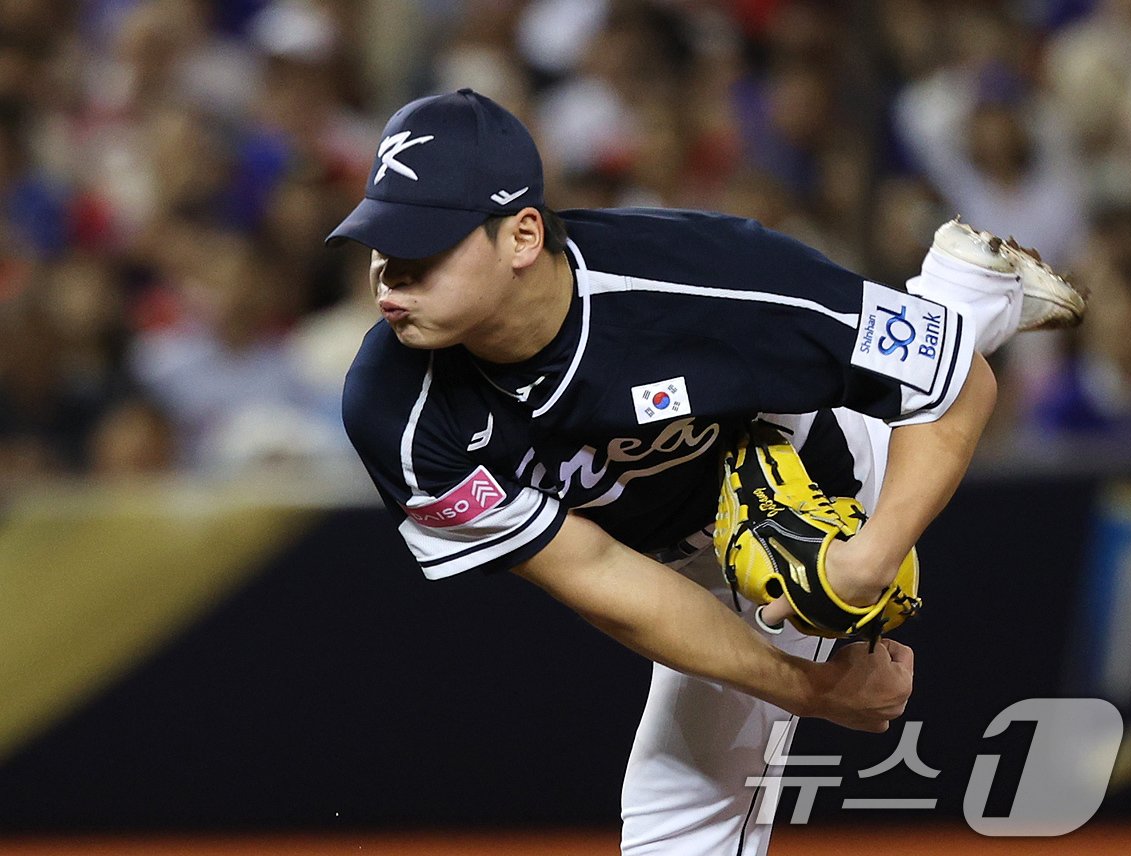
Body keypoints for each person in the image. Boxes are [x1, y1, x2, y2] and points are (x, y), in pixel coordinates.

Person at [326, 88, 1083, 854]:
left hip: (809, 487)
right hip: (661, 549)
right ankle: (965, 293)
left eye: (421, 248)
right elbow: (598, 574)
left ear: (522, 236)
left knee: (676, 815)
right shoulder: (392, 407)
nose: (388, 275)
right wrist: (813, 691)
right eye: (378, 244)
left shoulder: (704, 277)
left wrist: (868, 560)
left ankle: (958, 302)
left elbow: (957, 389)